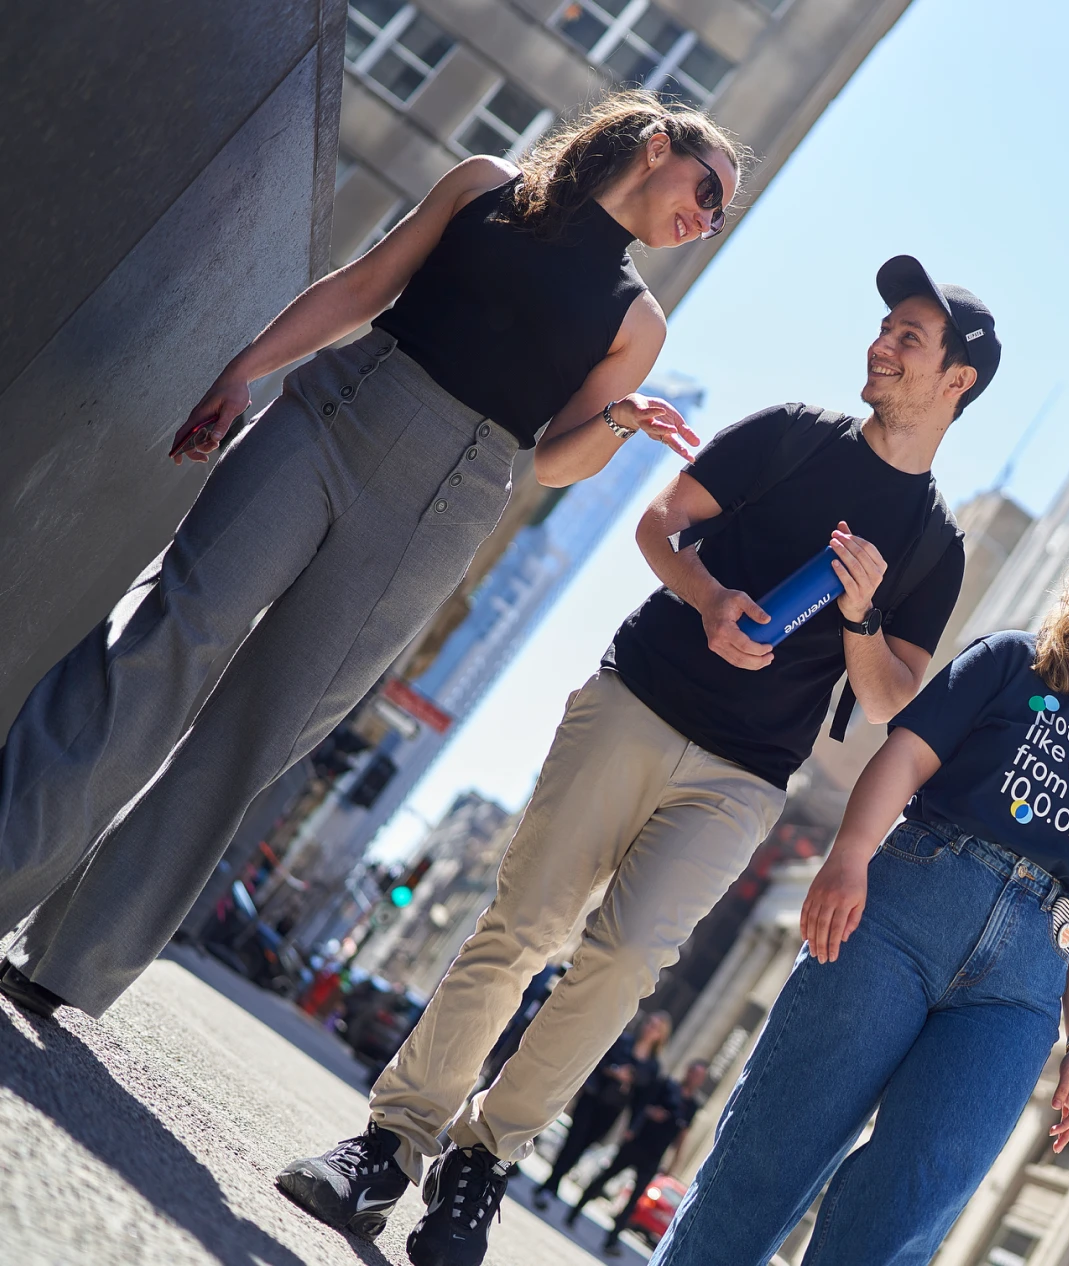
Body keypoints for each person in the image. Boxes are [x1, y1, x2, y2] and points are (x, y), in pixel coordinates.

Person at [275, 256, 1000, 1266]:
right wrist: (708, 601)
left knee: (620, 967)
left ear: (958, 380)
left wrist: (864, 611)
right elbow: (663, 525)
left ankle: (482, 1158)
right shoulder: (791, 432)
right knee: (523, 926)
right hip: (636, 700)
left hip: (743, 778)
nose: (882, 344)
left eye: (910, 339)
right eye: (885, 329)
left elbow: (887, 697)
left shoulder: (934, 543)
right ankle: (388, 1145)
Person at [0, 90, 743, 1024]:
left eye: (722, 216)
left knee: (257, 730)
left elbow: (553, 459)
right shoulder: (486, 187)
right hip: (333, 413)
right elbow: (363, 286)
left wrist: (619, 426)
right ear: (657, 144)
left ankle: (70, 962)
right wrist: (243, 372)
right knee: (167, 630)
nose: (706, 219)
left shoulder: (638, 324)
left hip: (446, 501)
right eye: (707, 189)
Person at [650, 511, 1069, 1266]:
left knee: (904, 1213)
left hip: (1021, 990)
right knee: (777, 1147)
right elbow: (906, 755)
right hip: (902, 914)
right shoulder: (1013, 660)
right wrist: (849, 855)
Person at [531, 1010, 670, 1205]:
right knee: (573, 1140)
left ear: (660, 1036)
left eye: (655, 1027)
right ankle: (551, 1185)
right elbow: (599, 1061)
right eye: (649, 1023)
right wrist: (615, 1071)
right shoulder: (623, 1041)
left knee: (583, 1146)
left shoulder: (653, 1066)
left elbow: (641, 1100)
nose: (649, 1028)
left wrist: (632, 1127)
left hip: (612, 1110)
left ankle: (553, 1181)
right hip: (593, 1097)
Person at [571, 1060, 706, 1256]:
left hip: (654, 1156)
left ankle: (611, 1240)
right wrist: (644, 1119)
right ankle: (574, 1211)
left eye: (699, 1076)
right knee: (604, 1177)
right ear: (687, 1071)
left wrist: (674, 1165)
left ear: (701, 1080)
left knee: (634, 1199)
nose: (694, 1078)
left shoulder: (692, 1105)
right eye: (693, 1072)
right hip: (636, 1145)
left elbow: (682, 1135)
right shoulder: (666, 1085)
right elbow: (641, 1105)